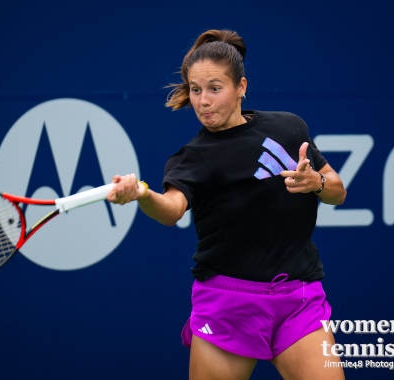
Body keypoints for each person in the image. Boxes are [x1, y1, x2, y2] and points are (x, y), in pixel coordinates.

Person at [107, 29, 346, 380]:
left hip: (298, 299)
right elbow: (171, 209)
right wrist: (142, 194)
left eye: (214, 89)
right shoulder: (193, 158)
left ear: (241, 87)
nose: (203, 101)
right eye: (195, 90)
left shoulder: (288, 128)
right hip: (228, 305)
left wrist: (318, 183)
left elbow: (337, 190)